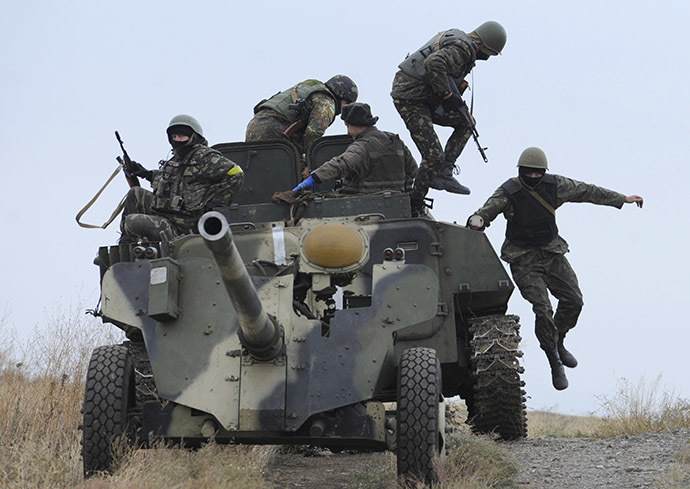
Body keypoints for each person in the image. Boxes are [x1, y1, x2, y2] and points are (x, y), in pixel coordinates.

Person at [466, 147, 644, 391]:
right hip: (523, 258)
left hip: (552, 253)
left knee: (574, 300)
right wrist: (477, 221)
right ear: (521, 172)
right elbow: (489, 209)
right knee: (543, 308)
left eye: (537, 174)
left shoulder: (555, 185)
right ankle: (554, 359)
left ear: (543, 172)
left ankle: (558, 339)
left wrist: (621, 199)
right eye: (528, 174)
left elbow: (587, 191)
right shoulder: (509, 191)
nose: (533, 178)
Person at [391, 21, 507, 215]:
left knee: (466, 123)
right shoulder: (463, 48)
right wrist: (447, 96)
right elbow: (433, 63)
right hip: (410, 98)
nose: (487, 58)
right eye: (489, 53)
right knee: (433, 156)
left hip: (423, 95)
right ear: (485, 46)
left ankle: (445, 171)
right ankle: (414, 203)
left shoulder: (458, 37)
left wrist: (453, 98)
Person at [119, 114, 244, 243]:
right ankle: (125, 244)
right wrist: (146, 174)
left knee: (132, 221)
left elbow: (236, 173)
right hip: (168, 214)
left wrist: (216, 205)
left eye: (182, 136)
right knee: (136, 193)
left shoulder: (205, 157)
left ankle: (130, 251)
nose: (177, 140)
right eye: (174, 136)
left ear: (194, 137)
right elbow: (171, 182)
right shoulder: (178, 158)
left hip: (184, 225)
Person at [293, 102, 417, 194]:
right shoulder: (395, 141)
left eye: (348, 126)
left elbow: (340, 164)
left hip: (365, 208)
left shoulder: (361, 147)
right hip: (398, 206)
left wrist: (312, 179)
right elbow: (413, 170)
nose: (348, 132)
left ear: (356, 125)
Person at [246, 75, 358, 157]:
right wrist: (311, 163)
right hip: (275, 131)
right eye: (347, 103)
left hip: (254, 126)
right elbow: (314, 132)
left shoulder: (310, 87)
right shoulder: (327, 102)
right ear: (340, 95)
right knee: (297, 171)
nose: (346, 108)